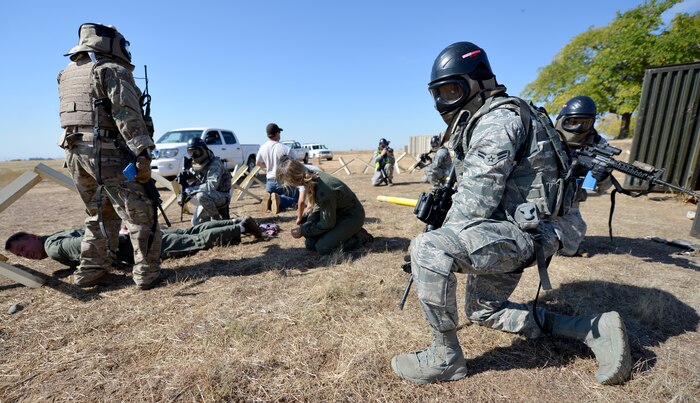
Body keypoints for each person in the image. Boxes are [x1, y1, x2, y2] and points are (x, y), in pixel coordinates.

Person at [391, 42, 631, 385]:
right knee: (482, 311)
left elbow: (475, 202)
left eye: (453, 89)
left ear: (480, 83)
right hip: (519, 228)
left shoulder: (497, 121)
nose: (445, 100)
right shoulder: (499, 115)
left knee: (429, 249)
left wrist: (433, 246)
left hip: (526, 233)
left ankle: (444, 358)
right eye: (439, 93)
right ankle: (592, 328)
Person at [57, 23, 163, 289]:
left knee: (98, 214)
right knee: (142, 212)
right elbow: (127, 116)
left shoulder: (67, 74)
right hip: (106, 154)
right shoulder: (111, 71)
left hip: (76, 153)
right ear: (112, 44)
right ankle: (146, 273)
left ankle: (91, 270)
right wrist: (142, 154)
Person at [5, 217, 264, 268]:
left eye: (23, 249)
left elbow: (91, 247)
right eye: (21, 255)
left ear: (32, 237)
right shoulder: (55, 236)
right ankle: (238, 222)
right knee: (186, 232)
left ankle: (239, 228)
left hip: (130, 247)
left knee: (190, 242)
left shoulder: (53, 246)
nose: (26, 255)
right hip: (127, 238)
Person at [553, 96, 613, 257]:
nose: (578, 127)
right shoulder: (546, 136)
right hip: (539, 196)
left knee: (569, 248)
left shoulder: (599, 145)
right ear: (563, 119)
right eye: (573, 122)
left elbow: (603, 188)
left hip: (569, 201)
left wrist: (601, 176)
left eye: (584, 123)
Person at [277, 158, 373, 255]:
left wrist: (303, 230)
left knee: (323, 248)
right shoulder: (311, 176)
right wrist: (308, 221)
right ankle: (345, 233)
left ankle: (360, 237)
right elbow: (319, 206)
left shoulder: (324, 190)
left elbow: (327, 224)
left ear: (293, 179)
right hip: (336, 213)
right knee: (310, 244)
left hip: (352, 216)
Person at [183, 138, 232, 225]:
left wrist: (190, 189)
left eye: (197, 151)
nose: (194, 155)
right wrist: (188, 179)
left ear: (204, 150)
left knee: (201, 195)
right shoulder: (196, 165)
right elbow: (199, 182)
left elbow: (212, 185)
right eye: (191, 152)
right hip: (209, 197)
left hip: (222, 195)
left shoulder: (215, 163)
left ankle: (217, 220)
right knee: (195, 223)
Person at [256, 123, 298, 214]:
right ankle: (279, 200)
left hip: (270, 182)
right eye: (279, 132)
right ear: (276, 133)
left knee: (274, 196)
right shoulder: (285, 148)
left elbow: (258, 163)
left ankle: (271, 200)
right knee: (296, 200)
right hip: (283, 181)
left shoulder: (262, 148)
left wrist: (269, 165)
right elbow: (295, 163)